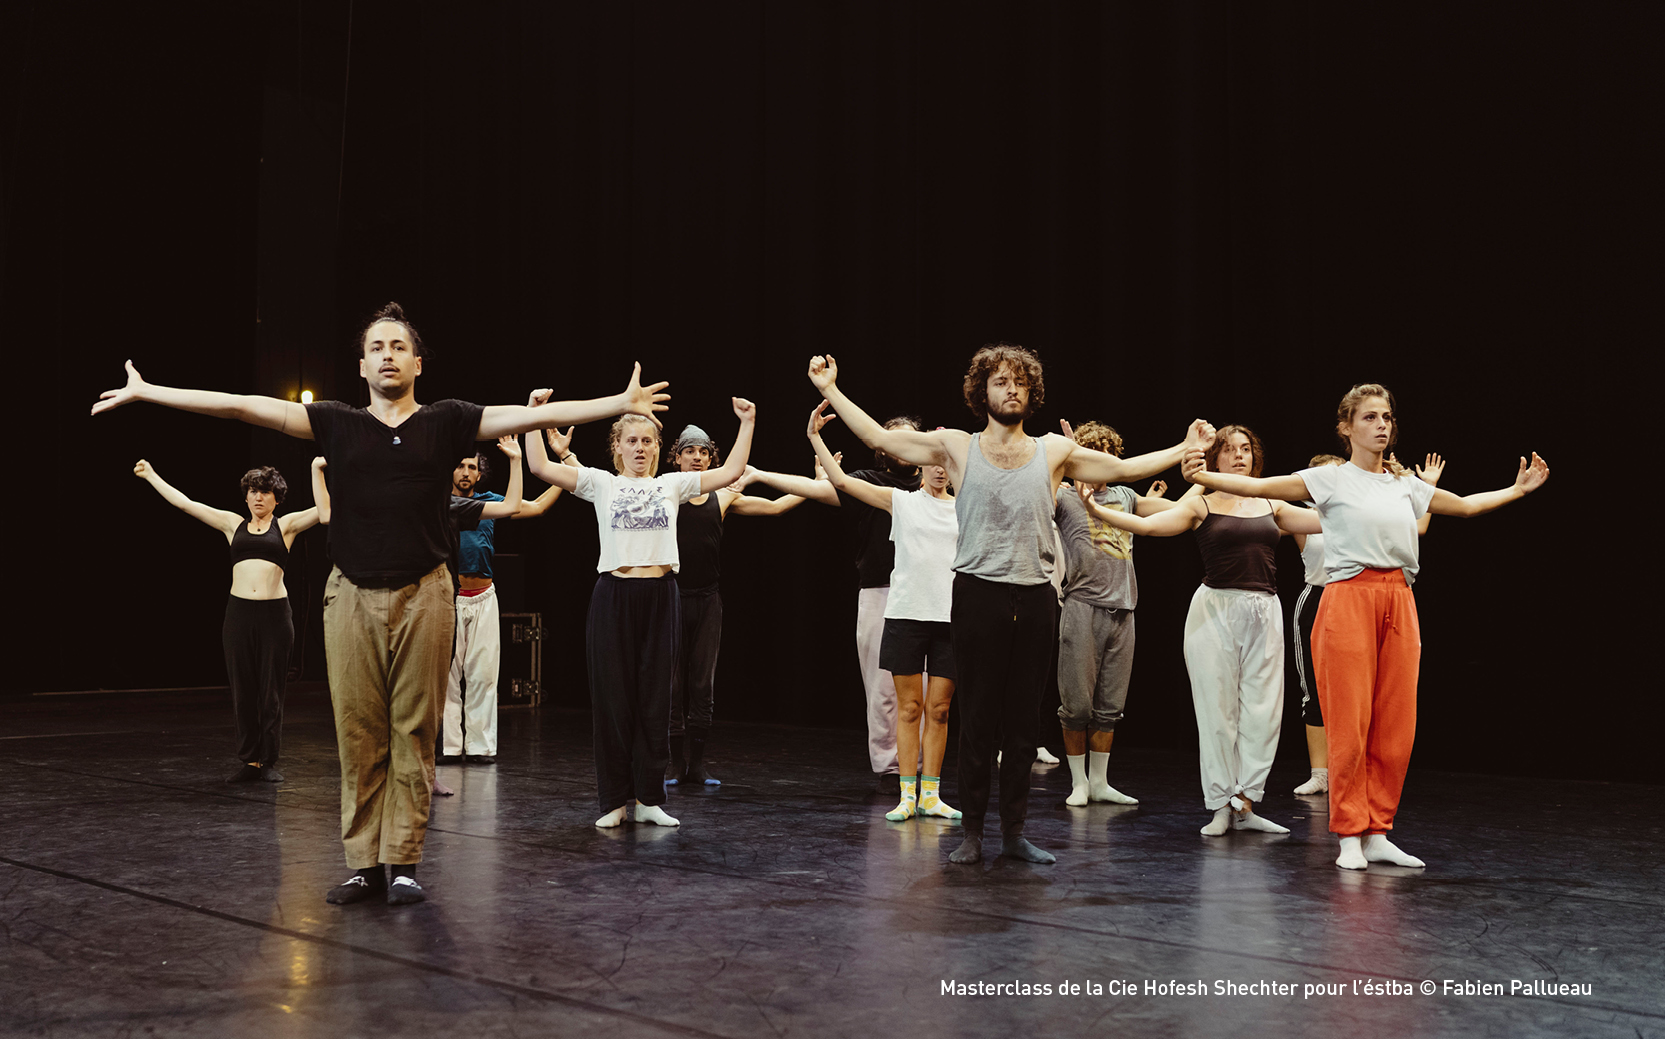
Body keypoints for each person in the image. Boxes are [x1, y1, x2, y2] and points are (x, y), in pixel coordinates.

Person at [93, 301, 669, 905]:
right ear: (362, 364)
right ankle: (364, 865)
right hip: (350, 595)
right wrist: (150, 391)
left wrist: (618, 404)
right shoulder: (337, 423)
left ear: (418, 361)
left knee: (414, 731)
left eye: (399, 346)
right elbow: (241, 406)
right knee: (359, 731)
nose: (388, 355)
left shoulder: (447, 420)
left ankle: (404, 863)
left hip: (426, 592)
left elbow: (525, 415)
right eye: (377, 347)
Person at [808, 344, 1214, 865]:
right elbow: (881, 439)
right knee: (976, 719)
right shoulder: (956, 445)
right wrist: (830, 390)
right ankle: (972, 833)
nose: (1012, 388)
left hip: (1035, 596)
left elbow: (1125, 467)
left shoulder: (1052, 452)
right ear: (983, 391)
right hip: (978, 594)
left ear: (1033, 393)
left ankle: (1014, 833)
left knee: (1023, 724)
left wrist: (1182, 446)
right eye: (1001, 381)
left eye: (1021, 381)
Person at [1181, 383, 1548, 869]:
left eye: (1387, 417)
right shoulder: (1331, 479)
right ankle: (1349, 834)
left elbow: (1464, 505)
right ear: (1347, 427)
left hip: (1400, 599)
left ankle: (1378, 831)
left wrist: (1516, 490)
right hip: (1349, 599)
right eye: (1371, 417)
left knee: (1396, 726)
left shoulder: (1404, 485)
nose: (1382, 425)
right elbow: (1262, 488)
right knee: (1349, 722)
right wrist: (1206, 476)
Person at [1078, 425, 1321, 836]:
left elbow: (1323, 521)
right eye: (1229, 450)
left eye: (1246, 449)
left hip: (1264, 609)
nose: (1239, 456)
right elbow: (1153, 527)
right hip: (1215, 611)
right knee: (1217, 713)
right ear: (1215, 460)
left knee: (1263, 712)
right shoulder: (1202, 505)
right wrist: (1099, 512)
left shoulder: (1270, 504)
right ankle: (1221, 805)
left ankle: (1247, 801)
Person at [526, 398, 756, 828]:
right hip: (614, 595)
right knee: (614, 701)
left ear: (656, 448)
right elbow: (539, 467)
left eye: (647, 441)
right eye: (631, 441)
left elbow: (728, 473)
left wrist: (748, 423)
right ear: (617, 447)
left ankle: (649, 798)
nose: (639, 448)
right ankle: (614, 801)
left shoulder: (671, 484)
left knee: (656, 700)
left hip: (661, 594)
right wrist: (533, 417)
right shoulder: (600, 483)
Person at [742, 420, 926, 792]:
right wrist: (760, 473)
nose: (904, 446)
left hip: (927, 596)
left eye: (912, 438)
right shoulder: (869, 482)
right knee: (883, 687)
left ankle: (921, 765)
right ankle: (891, 767)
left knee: (924, 688)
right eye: (895, 440)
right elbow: (814, 488)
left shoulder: (937, 483)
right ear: (882, 448)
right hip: (880, 591)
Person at [807, 402, 961, 822]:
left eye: (945, 460)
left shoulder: (966, 506)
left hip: (948, 618)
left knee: (939, 708)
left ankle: (931, 790)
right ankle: (902, 787)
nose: (938, 467)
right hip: (904, 611)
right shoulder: (901, 501)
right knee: (903, 703)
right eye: (931, 459)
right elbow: (839, 481)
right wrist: (816, 438)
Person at [132, 458, 322, 783]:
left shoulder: (286, 526)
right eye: (252, 491)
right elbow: (186, 504)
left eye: (264, 492)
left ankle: (268, 761)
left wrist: (319, 471)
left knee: (270, 692)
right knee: (244, 690)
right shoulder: (232, 524)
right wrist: (151, 476)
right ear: (245, 497)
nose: (257, 497)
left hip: (275, 617)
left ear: (276, 497)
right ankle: (249, 761)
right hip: (239, 615)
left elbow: (325, 509)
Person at [645, 423, 807, 787]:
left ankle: (697, 765)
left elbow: (776, 508)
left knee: (702, 684)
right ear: (677, 458)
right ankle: (673, 765)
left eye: (703, 453)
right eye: (690, 452)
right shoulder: (664, 493)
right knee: (671, 685)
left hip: (707, 601)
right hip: (670, 596)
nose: (697, 458)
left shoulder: (723, 497)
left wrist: (813, 485)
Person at [1051, 420, 1193, 809]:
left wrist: (1201, 481)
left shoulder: (1126, 496)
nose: (1100, 463)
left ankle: (1100, 782)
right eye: (1090, 456)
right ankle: (1078, 782)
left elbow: (1178, 511)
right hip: (1082, 607)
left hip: (1124, 609)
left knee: (1109, 706)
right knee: (1077, 705)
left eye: (1107, 455)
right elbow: (1034, 501)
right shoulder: (1063, 498)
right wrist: (1061, 466)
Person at [1290, 452, 1443, 795]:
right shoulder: (1304, 517)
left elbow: (1417, 526)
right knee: (1313, 691)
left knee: (1367, 696)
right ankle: (1320, 772)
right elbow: (1262, 519)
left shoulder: (1361, 509)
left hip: (1362, 601)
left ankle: (1363, 775)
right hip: (1319, 599)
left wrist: (1428, 489)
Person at [442, 422, 568, 767]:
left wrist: (565, 471)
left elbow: (537, 507)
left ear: (480, 474)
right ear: (450, 470)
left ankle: (481, 746)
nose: (467, 472)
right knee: (447, 676)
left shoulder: (489, 502)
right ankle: (450, 747)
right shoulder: (437, 504)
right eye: (461, 466)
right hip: (447, 598)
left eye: (473, 467)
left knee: (482, 674)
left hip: (483, 595)